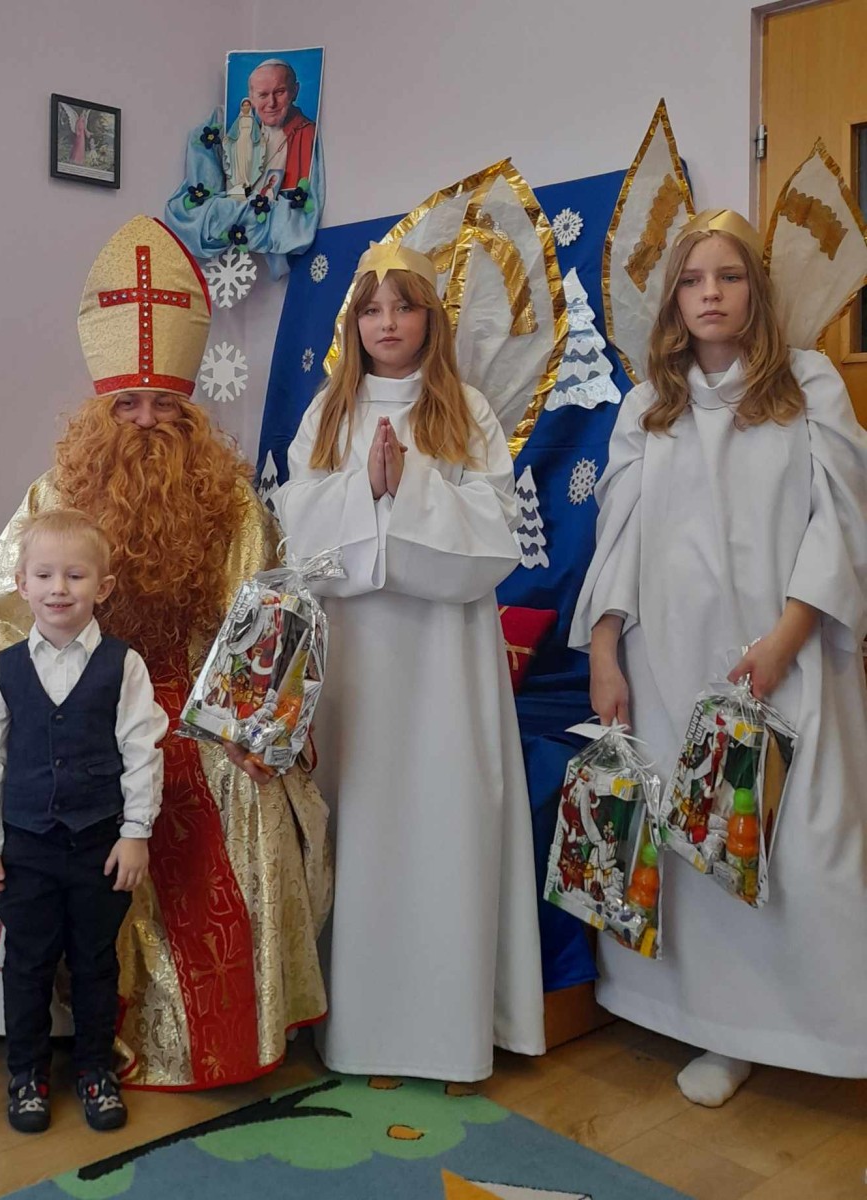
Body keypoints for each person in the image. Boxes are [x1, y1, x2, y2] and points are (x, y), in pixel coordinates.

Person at [0, 215, 332, 1090]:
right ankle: (71, 1034)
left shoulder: (231, 503)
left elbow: (258, 626)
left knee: (241, 785)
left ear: (190, 410)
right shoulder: (57, 494)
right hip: (73, 702)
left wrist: (253, 727)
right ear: (99, 411)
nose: (146, 422)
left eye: (164, 405)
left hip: (198, 708)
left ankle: (220, 1035)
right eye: (128, 404)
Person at [572, 210, 867, 1107]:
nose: (710, 294)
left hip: (784, 659)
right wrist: (604, 651)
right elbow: (617, 539)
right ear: (672, 300)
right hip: (668, 663)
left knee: (805, 848)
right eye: (693, 280)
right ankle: (719, 1030)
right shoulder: (647, 408)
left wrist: (784, 639)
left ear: (754, 290)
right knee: (699, 851)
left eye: (728, 277)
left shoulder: (807, 385)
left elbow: (839, 523)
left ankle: (831, 1028)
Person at [274, 241, 545, 1082]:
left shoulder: (465, 410)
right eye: (370, 308)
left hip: (443, 661)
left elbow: (495, 536)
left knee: (442, 825)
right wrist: (363, 491)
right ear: (352, 324)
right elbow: (294, 528)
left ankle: (445, 1035)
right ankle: (356, 1029)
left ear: (431, 318)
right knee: (359, 824)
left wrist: (408, 487)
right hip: (356, 663)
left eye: (403, 306)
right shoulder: (327, 412)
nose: (386, 322)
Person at [0, 509, 166, 1133]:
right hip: (26, 847)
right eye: (45, 575)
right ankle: (26, 1074)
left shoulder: (124, 666)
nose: (59, 589)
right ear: (21, 585)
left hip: (100, 845)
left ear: (102, 587)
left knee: (95, 962)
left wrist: (135, 834)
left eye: (75, 576)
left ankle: (95, 1070)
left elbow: (141, 750)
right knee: (26, 964)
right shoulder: (2, 670)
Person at [246, 59, 316, 192]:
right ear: (252, 99)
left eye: (279, 92)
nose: (271, 103)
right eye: (263, 95)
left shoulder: (310, 134)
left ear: (294, 91)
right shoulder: (244, 136)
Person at [225, 98, 262, 197]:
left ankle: (247, 181)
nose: (246, 107)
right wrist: (227, 138)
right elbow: (232, 132)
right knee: (240, 162)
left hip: (249, 142)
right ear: (241, 107)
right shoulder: (239, 120)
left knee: (248, 160)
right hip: (240, 142)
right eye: (244, 105)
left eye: (248, 105)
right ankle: (240, 182)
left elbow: (257, 134)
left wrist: (261, 140)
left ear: (250, 107)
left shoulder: (252, 120)